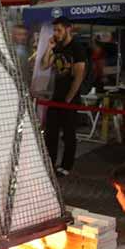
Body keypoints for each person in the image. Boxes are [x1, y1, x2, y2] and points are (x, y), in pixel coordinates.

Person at [40, 17, 88, 177]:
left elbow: (79, 75)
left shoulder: (77, 48)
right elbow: (44, 65)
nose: (56, 33)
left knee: (68, 134)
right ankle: (50, 163)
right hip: (56, 96)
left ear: (69, 29)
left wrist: (69, 98)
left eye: (59, 30)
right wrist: (49, 47)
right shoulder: (58, 47)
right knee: (50, 133)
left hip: (69, 98)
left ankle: (66, 165)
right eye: (55, 30)